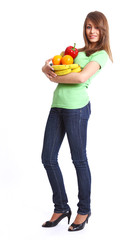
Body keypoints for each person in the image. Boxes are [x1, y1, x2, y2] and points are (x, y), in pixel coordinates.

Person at [41, 11, 113, 232]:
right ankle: (61, 207)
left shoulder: (100, 55)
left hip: (77, 110)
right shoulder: (75, 52)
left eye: (97, 27)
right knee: (48, 158)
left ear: (103, 30)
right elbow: (49, 65)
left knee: (79, 160)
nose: (92, 31)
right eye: (89, 26)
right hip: (57, 106)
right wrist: (46, 68)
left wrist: (54, 76)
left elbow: (81, 77)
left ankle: (84, 210)